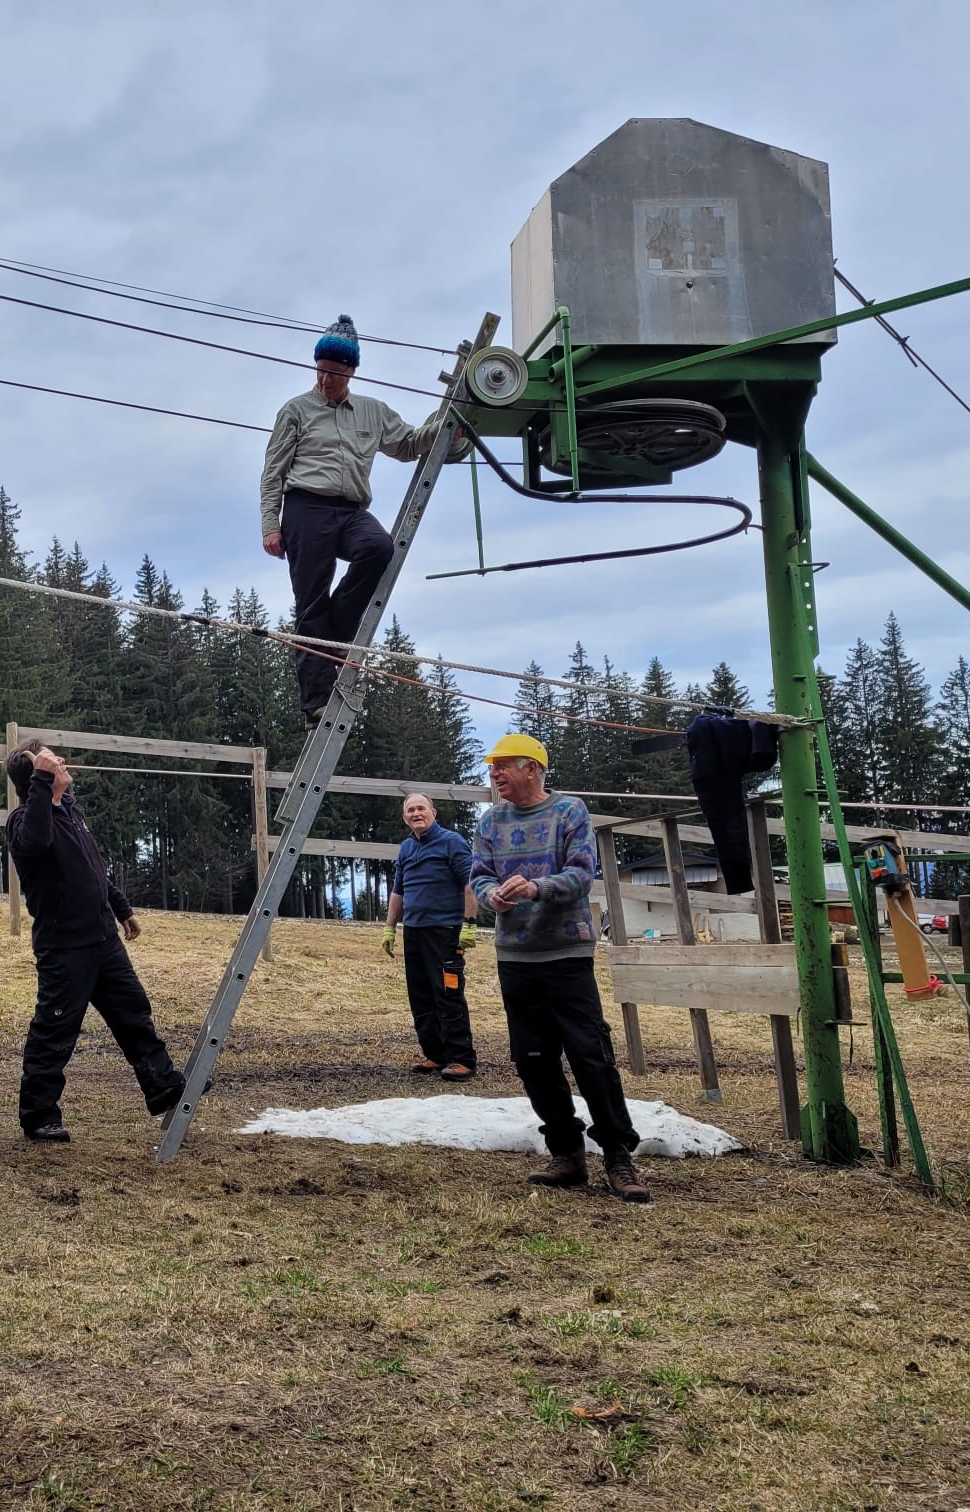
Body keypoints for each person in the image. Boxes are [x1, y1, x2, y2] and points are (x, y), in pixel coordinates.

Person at [469, 734, 650, 1203]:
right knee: (532, 1058)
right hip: (515, 956)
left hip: (567, 954)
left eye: (503, 765)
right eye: (492, 767)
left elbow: (581, 873)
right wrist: (492, 896)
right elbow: (479, 875)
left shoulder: (569, 812)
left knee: (591, 1056)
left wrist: (537, 888)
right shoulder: (489, 822)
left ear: (532, 768)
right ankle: (566, 1153)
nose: (495, 774)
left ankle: (617, 1155)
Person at [259, 315, 452, 727]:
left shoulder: (372, 412)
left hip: (350, 510)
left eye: (335, 372)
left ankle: (337, 637)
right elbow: (273, 472)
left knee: (379, 549)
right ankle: (315, 703)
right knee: (310, 602)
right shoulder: (295, 410)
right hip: (305, 509)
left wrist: (448, 426)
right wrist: (270, 525)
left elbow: (408, 444)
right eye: (321, 370)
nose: (326, 379)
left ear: (351, 371)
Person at [4, 737, 186, 1142]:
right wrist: (41, 781)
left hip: (103, 938)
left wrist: (120, 907)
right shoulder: (23, 821)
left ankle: (161, 1085)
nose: (61, 761)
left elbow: (92, 867)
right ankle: (39, 1116)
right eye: (51, 760)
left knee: (133, 1012)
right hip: (64, 947)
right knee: (55, 1031)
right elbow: (36, 841)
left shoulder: (69, 809)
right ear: (37, 777)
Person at [382, 793, 480, 1080]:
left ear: (433, 813)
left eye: (421, 808)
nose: (416, 813)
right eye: (410, 810)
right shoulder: (406, 848)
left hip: (445, 931)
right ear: (405, 818)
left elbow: (470, 884)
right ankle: (436, 1055)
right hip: (414, 932)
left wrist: (469, 923)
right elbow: (398, 891)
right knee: (421, 995)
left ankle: (462, 1058)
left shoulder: (452, 842)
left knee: (447, 993)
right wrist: (389, 927)